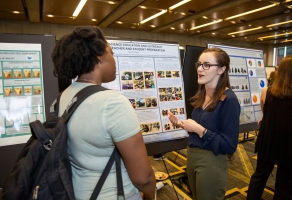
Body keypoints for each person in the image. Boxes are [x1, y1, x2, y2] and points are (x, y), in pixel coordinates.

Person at [52, 26, 156, 200]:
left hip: (76, 192)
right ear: (99, 57)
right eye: (112, 53)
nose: (115, 60)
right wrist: (152, 196)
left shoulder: (60, 99)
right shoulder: (112, 103)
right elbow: (143, 177)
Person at [168, 48, 240, 200]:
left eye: (207, 65)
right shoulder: (202, 93)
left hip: (212, 160)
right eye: (199, 64)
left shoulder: (229, 100)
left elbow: (229, 145)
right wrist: (183, 125)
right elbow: (201, 125)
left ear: (221, 69)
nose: (200, 69)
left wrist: (200, 130)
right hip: (192, 155)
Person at [247, 55, 292, 200]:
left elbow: (265, 112)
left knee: (260, 175)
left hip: (269, 140)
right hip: (288, 143)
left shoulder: (267, 91)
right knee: (284, 182)